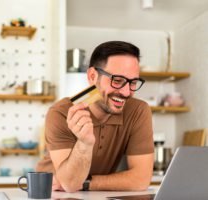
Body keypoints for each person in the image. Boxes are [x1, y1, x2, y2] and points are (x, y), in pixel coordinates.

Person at [36, 41, 154, 192]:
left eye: (133, 82)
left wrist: (86, 183)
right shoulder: (61, 112)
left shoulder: (138, 111)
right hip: (51, 193)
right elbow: (70, 185)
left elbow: (141, 180)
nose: (126, 92)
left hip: (93, 194)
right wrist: (84, 143)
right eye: (117, 81)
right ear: (92, 76)